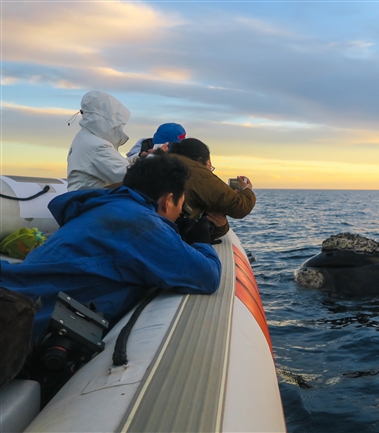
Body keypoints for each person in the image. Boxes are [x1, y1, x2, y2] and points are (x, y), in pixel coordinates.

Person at [1, 155, 222, 340]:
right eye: (181, 207)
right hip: (17, 326)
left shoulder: (102, 208)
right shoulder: (141, 224)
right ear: (168, 200)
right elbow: (207, 277)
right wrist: (201, 240)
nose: (178, 215)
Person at [167, 138, 255, 239]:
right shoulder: (197, 173)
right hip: (171, 237)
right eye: (209, 166)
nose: (210, 172)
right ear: (200, 161)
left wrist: (222, 227)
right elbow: (240, 207)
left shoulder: (162, 161)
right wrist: (248, 190)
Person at [67, 90, 140, 191]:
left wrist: (139, 158)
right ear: (106, 119)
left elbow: (116, 165)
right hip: (90, 202)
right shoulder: (96, 146)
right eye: (118, 123)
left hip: (82, 199)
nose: (119, 127)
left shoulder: (85, 138)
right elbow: (128, 177)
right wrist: (154, 160)